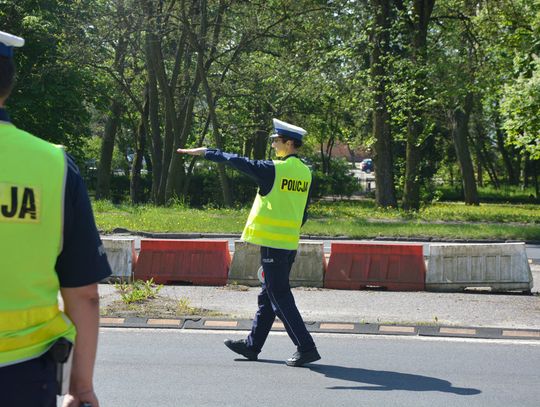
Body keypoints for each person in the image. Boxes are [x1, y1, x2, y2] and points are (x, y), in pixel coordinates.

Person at [0, 31, 111, 406]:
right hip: (23, 376)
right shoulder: (53, 165)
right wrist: (82, 386)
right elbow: (84, 294)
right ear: (9, 84)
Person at [177, 118, 321, 367]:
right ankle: (252, 346)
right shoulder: (305, 172)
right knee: (268, 295)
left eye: (276, 140)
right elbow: (303, 212)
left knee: (278, 295)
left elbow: (238, 162)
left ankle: (306, 347)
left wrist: (207, 153)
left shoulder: (274, 169)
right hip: (288, 243)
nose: (274, 144)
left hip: (274, 243)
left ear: (289, 143)